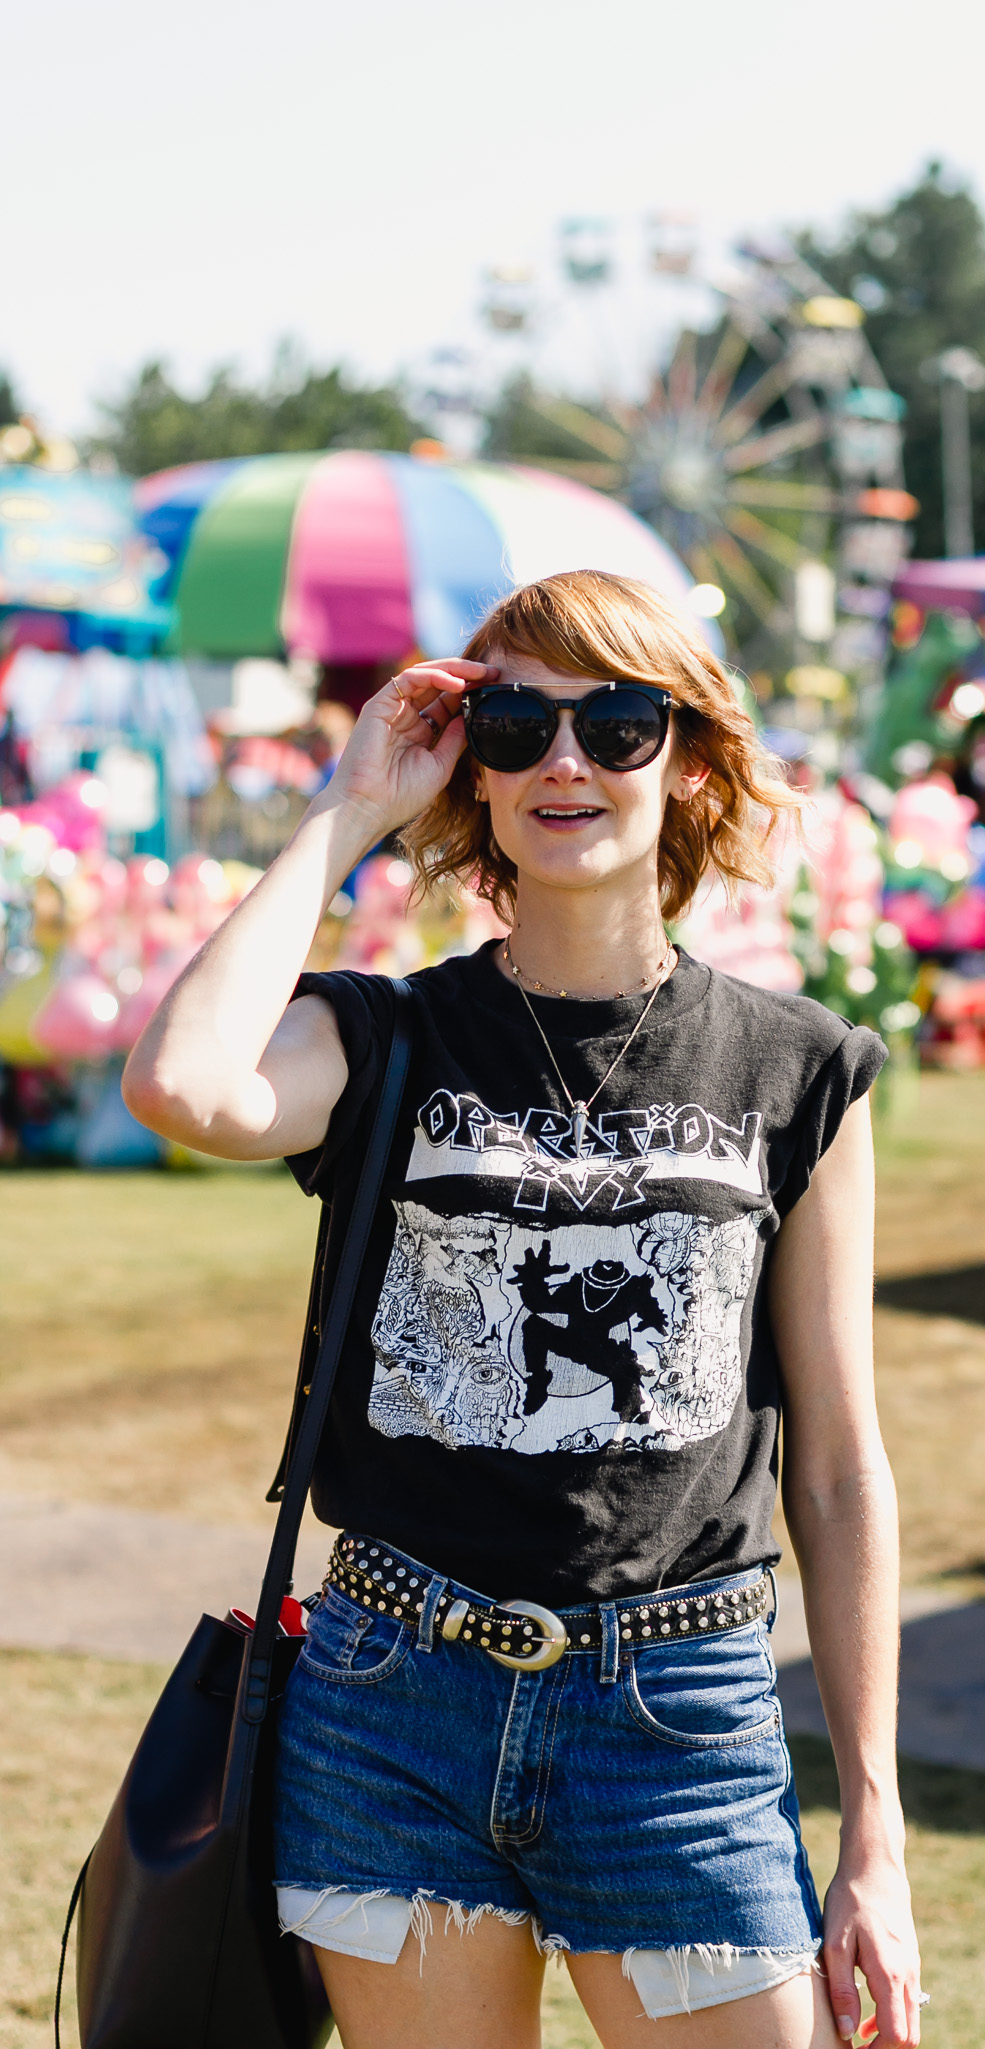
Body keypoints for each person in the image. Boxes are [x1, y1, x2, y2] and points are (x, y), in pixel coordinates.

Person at [123, 571, 921, 2049]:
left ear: (684, 760)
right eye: (513, 721)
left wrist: (872, 1822)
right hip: (390, 1700)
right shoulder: (387, 1033)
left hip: (675, 1714)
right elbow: (181, 1084)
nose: (565, 761)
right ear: (471, 765)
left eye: (617, 722)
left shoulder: (796, 1065)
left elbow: (837, 1464)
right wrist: (345, 808)